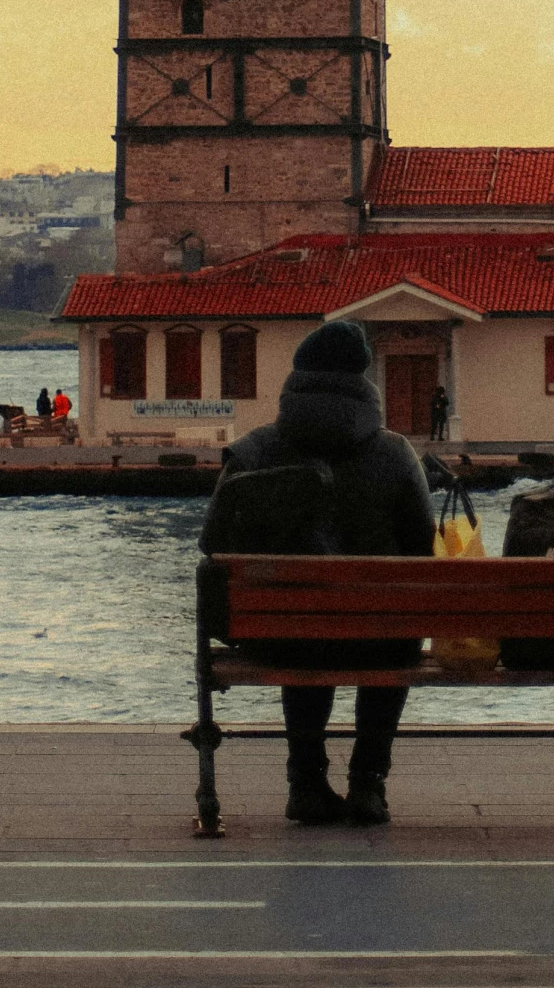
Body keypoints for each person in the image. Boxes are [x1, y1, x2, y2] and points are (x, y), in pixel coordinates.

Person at [201, 319, 435, 827]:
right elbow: (424, 547)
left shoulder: (254, 451)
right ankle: (368, 785)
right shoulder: (395, 453)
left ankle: (306, 783)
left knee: (303, 626)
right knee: (393, 634)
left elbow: (211, 545)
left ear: (296, 376)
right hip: (379, 638)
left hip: (278, 636)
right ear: (364, 380)